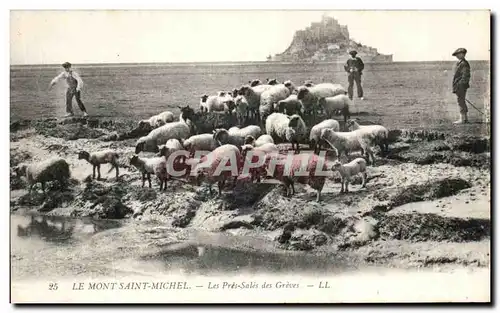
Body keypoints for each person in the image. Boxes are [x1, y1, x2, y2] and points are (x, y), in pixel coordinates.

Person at [451, 48, 471, 124]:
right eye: (456, 55)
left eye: (458, 54)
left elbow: (466, 76)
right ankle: (464, 118)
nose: (457, 56)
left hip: (461, 86)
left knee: (460, 101)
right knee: (461, 101)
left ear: (463, 54)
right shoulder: (460, 63)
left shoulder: (464, 63)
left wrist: (460, 85)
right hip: (459, 85)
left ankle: (463, 119)